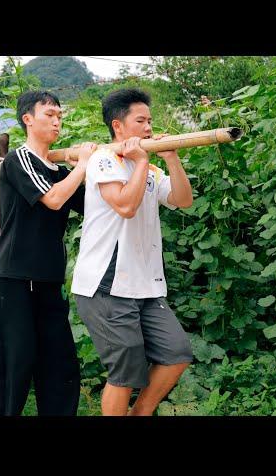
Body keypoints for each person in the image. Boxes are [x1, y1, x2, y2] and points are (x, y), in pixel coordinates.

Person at [71, 88, 194, 416]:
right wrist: (140, 162)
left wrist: (171, 159)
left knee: (177, 352)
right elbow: (125, 205)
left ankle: (139, 414)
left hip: (145, 283)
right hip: (106, 283)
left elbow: (183, 200)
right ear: (118, 126)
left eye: (150, 121)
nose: (149, 127)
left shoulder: (150, 169)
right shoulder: (103, 159)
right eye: (140, 120)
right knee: (124, 373)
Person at [0, 90, 97, 416]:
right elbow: (52, 199)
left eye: (60, 115)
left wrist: (105, 164)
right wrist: (83, 165)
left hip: (49, 281)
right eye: (49, 114)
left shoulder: (59, 169)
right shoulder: (18, 160)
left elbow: (92, 203)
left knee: (59, 365)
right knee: (16, 367)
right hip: (14, 280)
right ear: (28, 119)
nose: (56, 120)